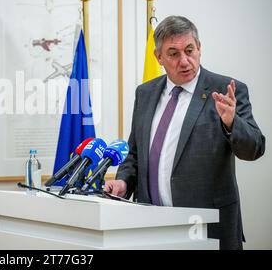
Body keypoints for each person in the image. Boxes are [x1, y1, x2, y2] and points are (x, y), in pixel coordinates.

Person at [104, 16, 265, 250]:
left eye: (190, 50)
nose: (185, 61)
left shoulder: (227, 90)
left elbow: (255, 149)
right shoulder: (145, 93)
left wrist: (232, 122)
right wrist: (123, 182)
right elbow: (135, 153)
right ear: (158, 57)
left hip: (208, 230)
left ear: (199, 48)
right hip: (150, 228)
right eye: (173, 53)